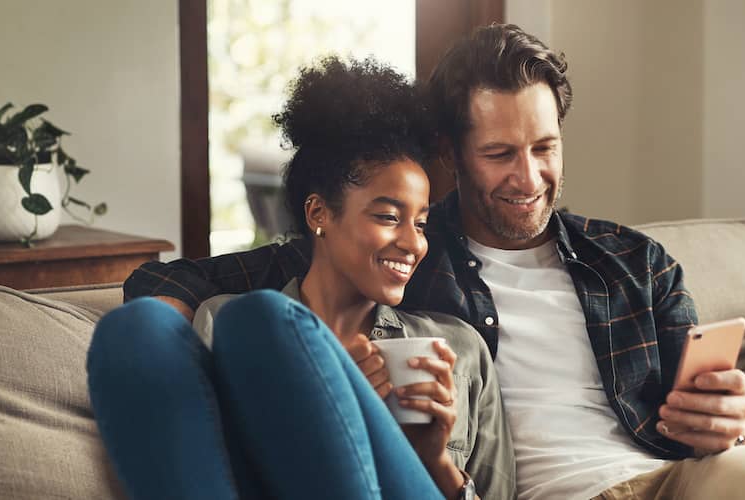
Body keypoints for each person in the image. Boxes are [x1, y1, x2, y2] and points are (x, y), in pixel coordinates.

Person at [125, 25, 745, 500]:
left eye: (544, 149)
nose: (529, 177)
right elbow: (178, 279)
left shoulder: (632, 262)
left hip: (672, 479)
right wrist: (163, 327)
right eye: (500, 154)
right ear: (452, 155)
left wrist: (740, 423)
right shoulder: (403, 251)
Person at [89, 56, 513, 500]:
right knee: (132, 329)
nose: (414, 243)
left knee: (264, 317)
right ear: (318, 213)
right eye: (389, 216)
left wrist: (433, 460)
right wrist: (328, 395)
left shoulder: (459, 348)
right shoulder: (222, 323)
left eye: (422, 223)